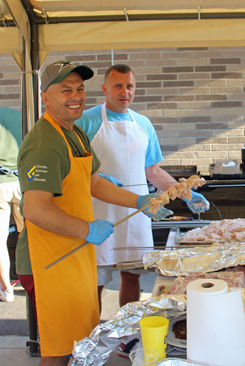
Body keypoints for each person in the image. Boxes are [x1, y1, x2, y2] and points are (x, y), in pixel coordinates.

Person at [16, 60, 171, 366]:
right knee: (58, 352)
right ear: (45, 97)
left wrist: (139, 202)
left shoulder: (72, 133)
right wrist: (87, 230)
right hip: (49, 261)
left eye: (79, 88)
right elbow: (35, 209)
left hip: (73, 255)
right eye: (65, 90)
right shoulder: (45, 142)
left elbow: (95, 183)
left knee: (78, 344)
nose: (75, 96)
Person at [75, 64, 209, 357]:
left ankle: (127, 336)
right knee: (94, 281)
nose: (125, 92)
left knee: (133, 275)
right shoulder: (85, 122)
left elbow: (153, 170)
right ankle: (90, 338)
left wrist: (185, 194)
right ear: (105, 90)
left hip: (138, 211)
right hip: (96, 211)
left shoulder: (143, 124)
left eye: (130, 86)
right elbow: (74, 170)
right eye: (119, 86)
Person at [0, 107, 24, 302]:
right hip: (23, 182)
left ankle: (6, 288)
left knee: (0, 240)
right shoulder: (18, 115)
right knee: (29, 235)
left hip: (0, 184)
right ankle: (32, 280)